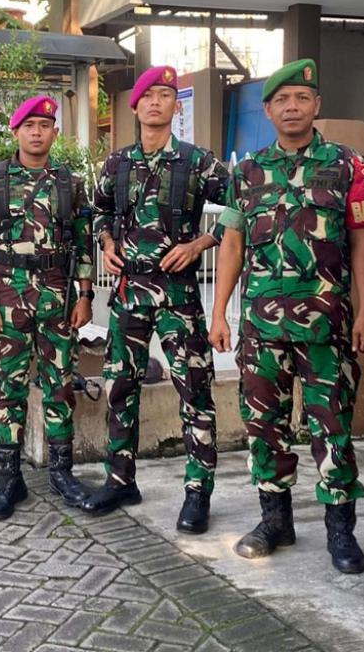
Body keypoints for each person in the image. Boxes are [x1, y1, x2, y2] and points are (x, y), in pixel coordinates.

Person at [208, 58, 364, 573]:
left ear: (316, 105)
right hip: (261, 326)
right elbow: (232, 243)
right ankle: (275, 520)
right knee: (264, 426)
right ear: (268, 110)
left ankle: (340, 529)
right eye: (282, 100)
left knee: (332, 425)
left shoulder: (347, 165)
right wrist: (219, 313)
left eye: (302, 98)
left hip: (327, 323)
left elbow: (362, 240)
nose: (292, 107)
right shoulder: (247, 172)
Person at [82, 65, 230, 533]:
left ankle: (198, 492)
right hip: (129, 294)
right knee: (119, 387)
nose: (155, 102)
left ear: (175, 106)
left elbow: (242, 206)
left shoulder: (196, 161)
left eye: (165, 95)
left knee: (194, 390)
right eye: (148, 96)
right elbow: (98, 210)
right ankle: (120, 479)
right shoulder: (117, 163)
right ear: (136, 106)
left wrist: (201, 244)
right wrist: (107, 243)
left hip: (178, 295)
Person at [0, 95, 94, 517]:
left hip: (58, 295)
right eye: (29, 126)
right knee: (11, 387)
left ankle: (61, 473)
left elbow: (83, 242)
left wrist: (85, 295)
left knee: (60, 384)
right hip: (9, 295)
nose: (37, 132)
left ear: (55, 132)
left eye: (44, 126)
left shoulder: (70, 183)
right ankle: (9, 480)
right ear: (16, 132)